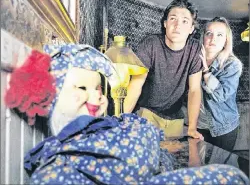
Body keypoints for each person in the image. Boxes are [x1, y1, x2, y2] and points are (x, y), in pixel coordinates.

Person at [4, 44, 248, 184]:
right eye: (81, 88)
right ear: (49, 95)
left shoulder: (112, 125)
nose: (98, 96)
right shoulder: (61, 166)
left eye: (99, 89)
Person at [124, 0, 203, 139]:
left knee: (173, 158)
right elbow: (136, 85)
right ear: (165, 23)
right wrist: (121, 120)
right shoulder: (150, 44)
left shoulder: (195, 49)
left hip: (175, 117)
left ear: (191, 29)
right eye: (173, 19)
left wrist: (192, 128)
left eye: (185, 21)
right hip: (146, 113)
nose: (178, 25)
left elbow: (195, 89)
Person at [197, 16, 243, 151]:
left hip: (223, 127)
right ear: (203, 37)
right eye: (209, 34)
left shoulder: (232, 64)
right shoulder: (194, 60)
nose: (213, 39)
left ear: (225, 41)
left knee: (220, 167)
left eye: (219, 35)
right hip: (198, 125)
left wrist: (205, 71)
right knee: (199, 167)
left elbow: (221, 95)